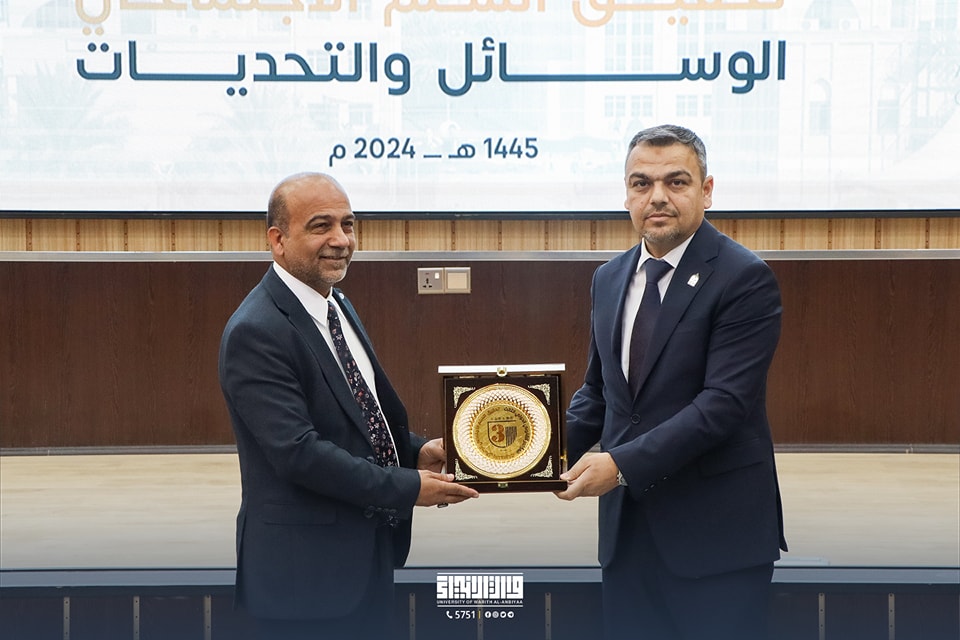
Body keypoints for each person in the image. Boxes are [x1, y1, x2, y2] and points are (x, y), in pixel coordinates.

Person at [218, 172, 479, 640]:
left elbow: (357, 417)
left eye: (348, 224)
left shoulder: (336, 305)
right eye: (321, 226)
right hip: (304, 586)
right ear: (278, 240)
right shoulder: (256, 331)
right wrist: (406, 487)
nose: (341, 240)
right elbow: (299, 453)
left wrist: (414, 452)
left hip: (365, 563)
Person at [556, 125, 787, 640]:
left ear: (707, 190)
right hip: (627, 537)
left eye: (676, 182)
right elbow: (599, 393)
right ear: (626, 195)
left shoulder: (744, 277)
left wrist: (619, 465)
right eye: (641, 183)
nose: (656, 197)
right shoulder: (608, 278)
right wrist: (515, 459)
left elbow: (722, 405)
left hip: (716, 542)